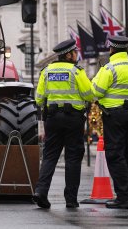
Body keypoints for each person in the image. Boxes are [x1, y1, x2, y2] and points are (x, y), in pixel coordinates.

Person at [32, 39, 94, 209]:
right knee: (73, 158)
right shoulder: (77, 71)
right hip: (73, 119)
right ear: (69, 54)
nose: (77, 55)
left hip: (52, 118)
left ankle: (41, 192)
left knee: (50, 156)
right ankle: (71, 199)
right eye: (75, 52)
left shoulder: (46, 71)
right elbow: (89, 95)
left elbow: (38, 99)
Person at [91, 35, 128, 209]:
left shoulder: (109, 68)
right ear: (127, 49)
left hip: (114, 115)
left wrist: (95, 79)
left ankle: (123, 197)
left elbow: (96, 92)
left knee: (116, 155)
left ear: (112, 49)